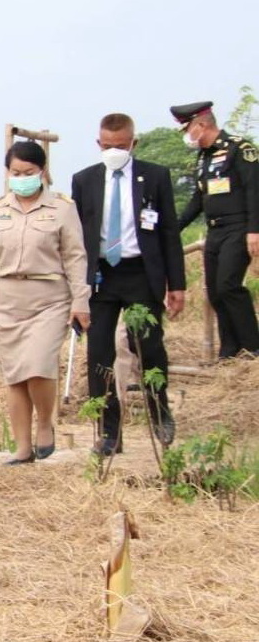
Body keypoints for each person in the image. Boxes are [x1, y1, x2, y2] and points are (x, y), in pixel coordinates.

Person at [0, 141, 89, 465]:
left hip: (49, 298)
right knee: (16, 375)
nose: (22, 178)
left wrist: (81, 301)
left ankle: (46, 424)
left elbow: (75, 257)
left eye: (29, 172)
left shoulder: (61, 209)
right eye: (16, 173)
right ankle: (22, 446)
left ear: (43, 172)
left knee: (38, 366)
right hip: (8, 300)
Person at [71, 113, 185, 456]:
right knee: (99, 354)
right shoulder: (84, 180)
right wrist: (77, 288)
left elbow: (168, 234)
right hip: (103, 276)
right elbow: (76, 238)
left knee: (149, 347)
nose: (114, 152)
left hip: (141, 272)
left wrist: (176, 284)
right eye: (107, 147)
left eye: (121, 147)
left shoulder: (155, 176)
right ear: (98, 144)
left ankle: (159, 411)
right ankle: (109, 431)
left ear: (133, 143)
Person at [173, 101, 259, 359]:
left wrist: (254, 230)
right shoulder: (203, 157)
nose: (187, 136)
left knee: (229, 285)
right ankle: (230, 350)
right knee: (215, 291)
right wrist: (173, 228)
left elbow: (255, 191)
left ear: (201, 125)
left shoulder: (239, 149)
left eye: (187, 129)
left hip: (239, 227)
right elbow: (198, 200)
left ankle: (252, 347)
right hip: (215, 231)